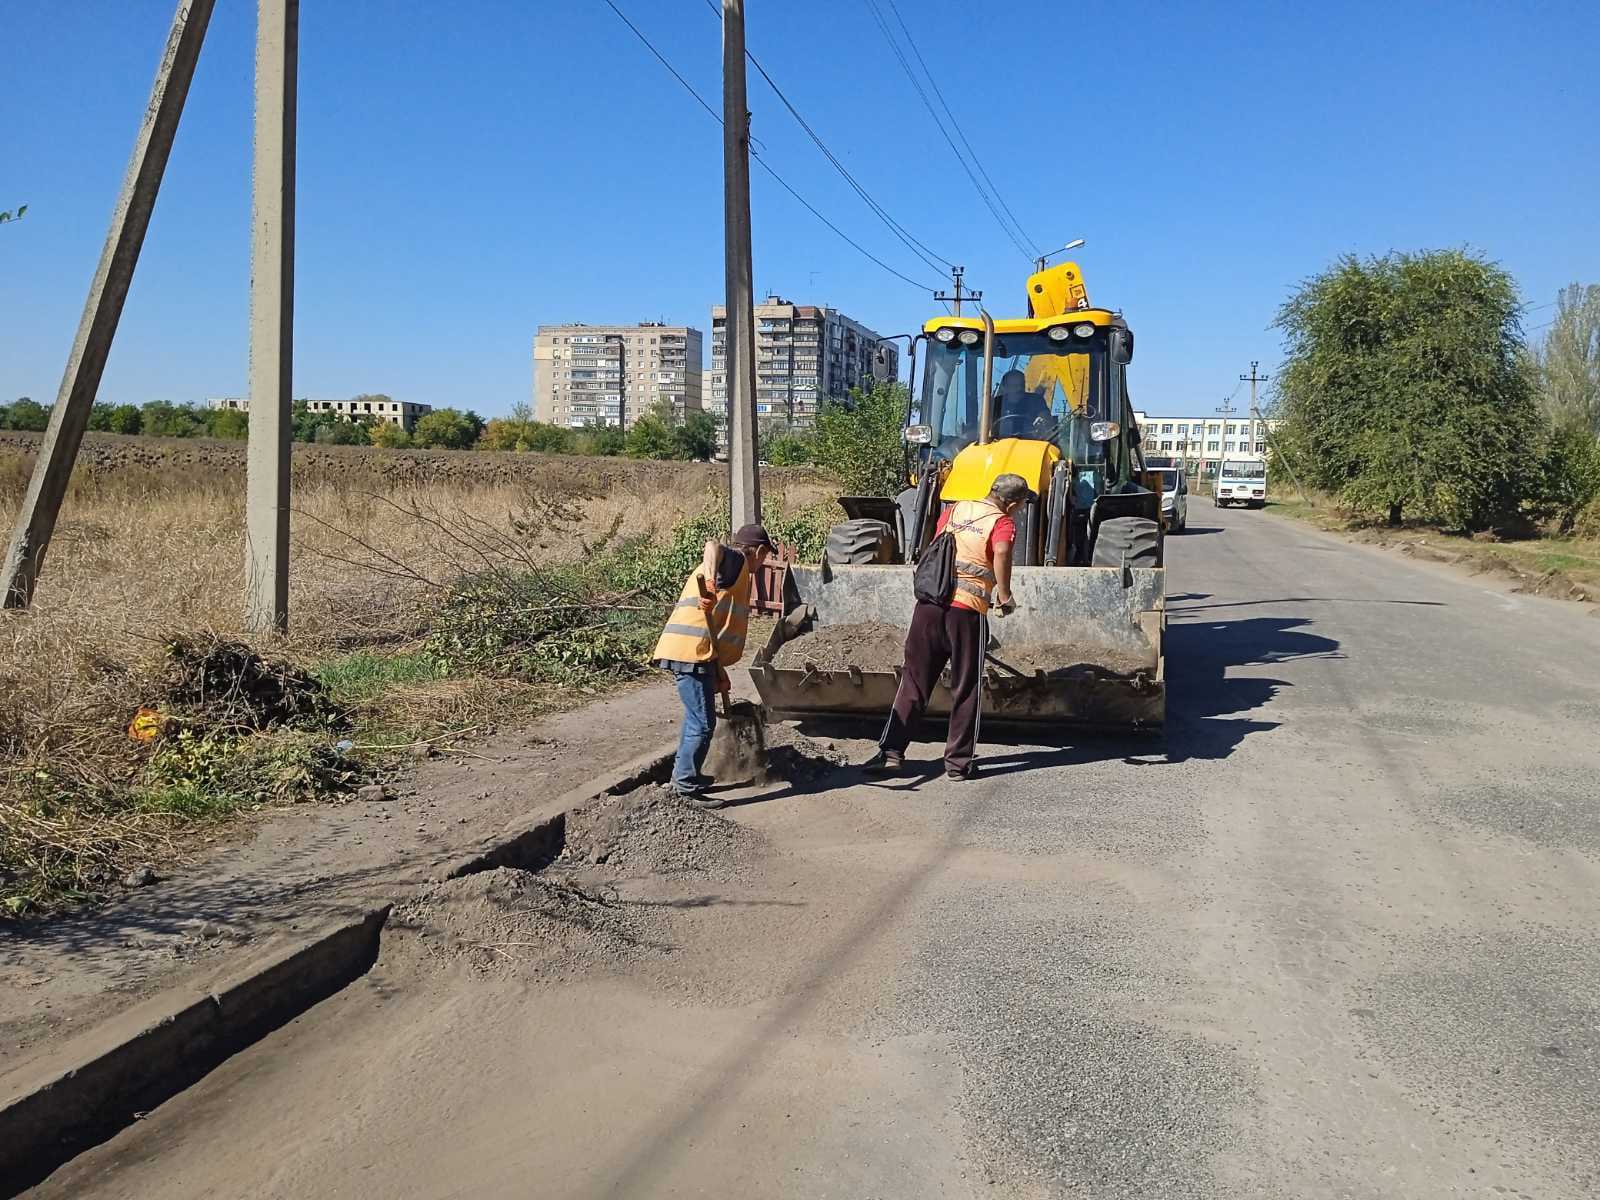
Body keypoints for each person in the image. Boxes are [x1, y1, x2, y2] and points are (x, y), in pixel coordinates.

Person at [867, 474, 1028, 781]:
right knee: (966, 687)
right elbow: (1003, 552)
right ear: (1013, 503)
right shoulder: (1002, 521)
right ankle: (958, 763)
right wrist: (1004, 595)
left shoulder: (955, 509)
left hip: (929, 607)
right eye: (1019, 505)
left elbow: (939, 545)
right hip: (966, 613)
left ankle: (890, 753)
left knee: (913, 680)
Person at [652, 523, 774, 806]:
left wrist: (720, 672)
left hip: (702, 654)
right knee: (703, 723)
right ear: (757, 550)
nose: (764, 561)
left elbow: (717, 630)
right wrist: (709, 582)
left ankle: (685, 775)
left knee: (696, 719)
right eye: (765, 554)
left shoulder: (736, 572)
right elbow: (712, 546)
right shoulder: (737, 561)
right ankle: (684, 787)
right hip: (690, 652)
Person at [991, 369, 1054, 439]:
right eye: (1014, 386)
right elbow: (984, 427)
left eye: (1021, 385)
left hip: (1032, 444)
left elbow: (1048, 423)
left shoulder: (1036, 401)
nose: (1019, 388)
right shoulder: (996, 404)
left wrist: (1042, 422)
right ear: (1005, 388)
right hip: (999, 445)